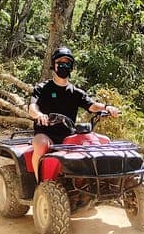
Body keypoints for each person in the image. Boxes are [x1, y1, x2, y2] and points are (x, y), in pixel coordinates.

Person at [28, 47, 119, 178]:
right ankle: (39, 184)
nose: (63, 66)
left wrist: (107, 107)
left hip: (69, 136)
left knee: (104, 141)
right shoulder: (42, 88)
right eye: (60, 63)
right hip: (46, 134)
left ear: (71, 67)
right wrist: (39, 115)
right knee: (41, 144)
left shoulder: (75, 92)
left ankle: (103, 181)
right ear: (54, 65)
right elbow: (32, 107)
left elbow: (92, 105)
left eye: (67, 63)